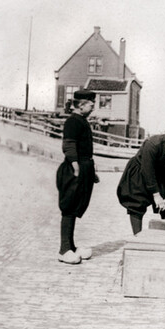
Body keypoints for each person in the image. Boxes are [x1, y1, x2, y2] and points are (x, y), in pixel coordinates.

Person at [116, 122, 165, 235]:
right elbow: (147, 171)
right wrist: (156, 195)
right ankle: (137, 236)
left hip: (162, 171)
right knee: (137, 202)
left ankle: (163, 234)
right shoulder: (153, 144)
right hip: (141, 170)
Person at [55, 89, 100, 264]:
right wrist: (75, 167)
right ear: (81, 105)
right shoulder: (73, 121)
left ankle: (71, 247)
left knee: (75, 207)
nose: (93, 107)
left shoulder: (82, 120)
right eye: (91, 104)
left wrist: (91, 171)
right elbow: (69, 145)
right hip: (75, 169)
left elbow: (85, 149)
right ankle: (64, 249)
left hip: (84, 167)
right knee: (69, 207)